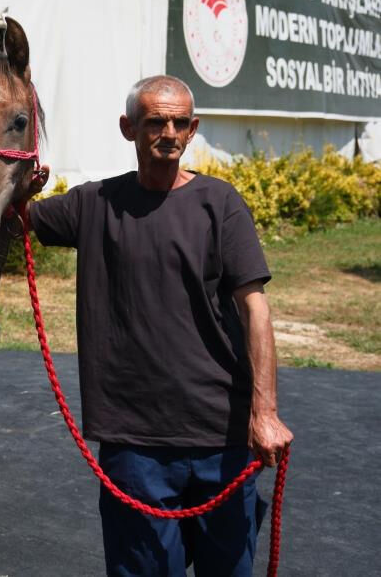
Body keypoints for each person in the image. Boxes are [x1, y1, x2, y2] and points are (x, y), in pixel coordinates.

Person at [24, 75, 293, 576]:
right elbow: (5, 219)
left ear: (192, 130)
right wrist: (15, 181)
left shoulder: (221, 204)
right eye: (155, 121)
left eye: (179, 122)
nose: (168, 132)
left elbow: (254, 307)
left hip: (223, 435)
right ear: (129, 128)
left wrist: (265, 413)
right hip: (134, 442)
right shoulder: (93, 204)